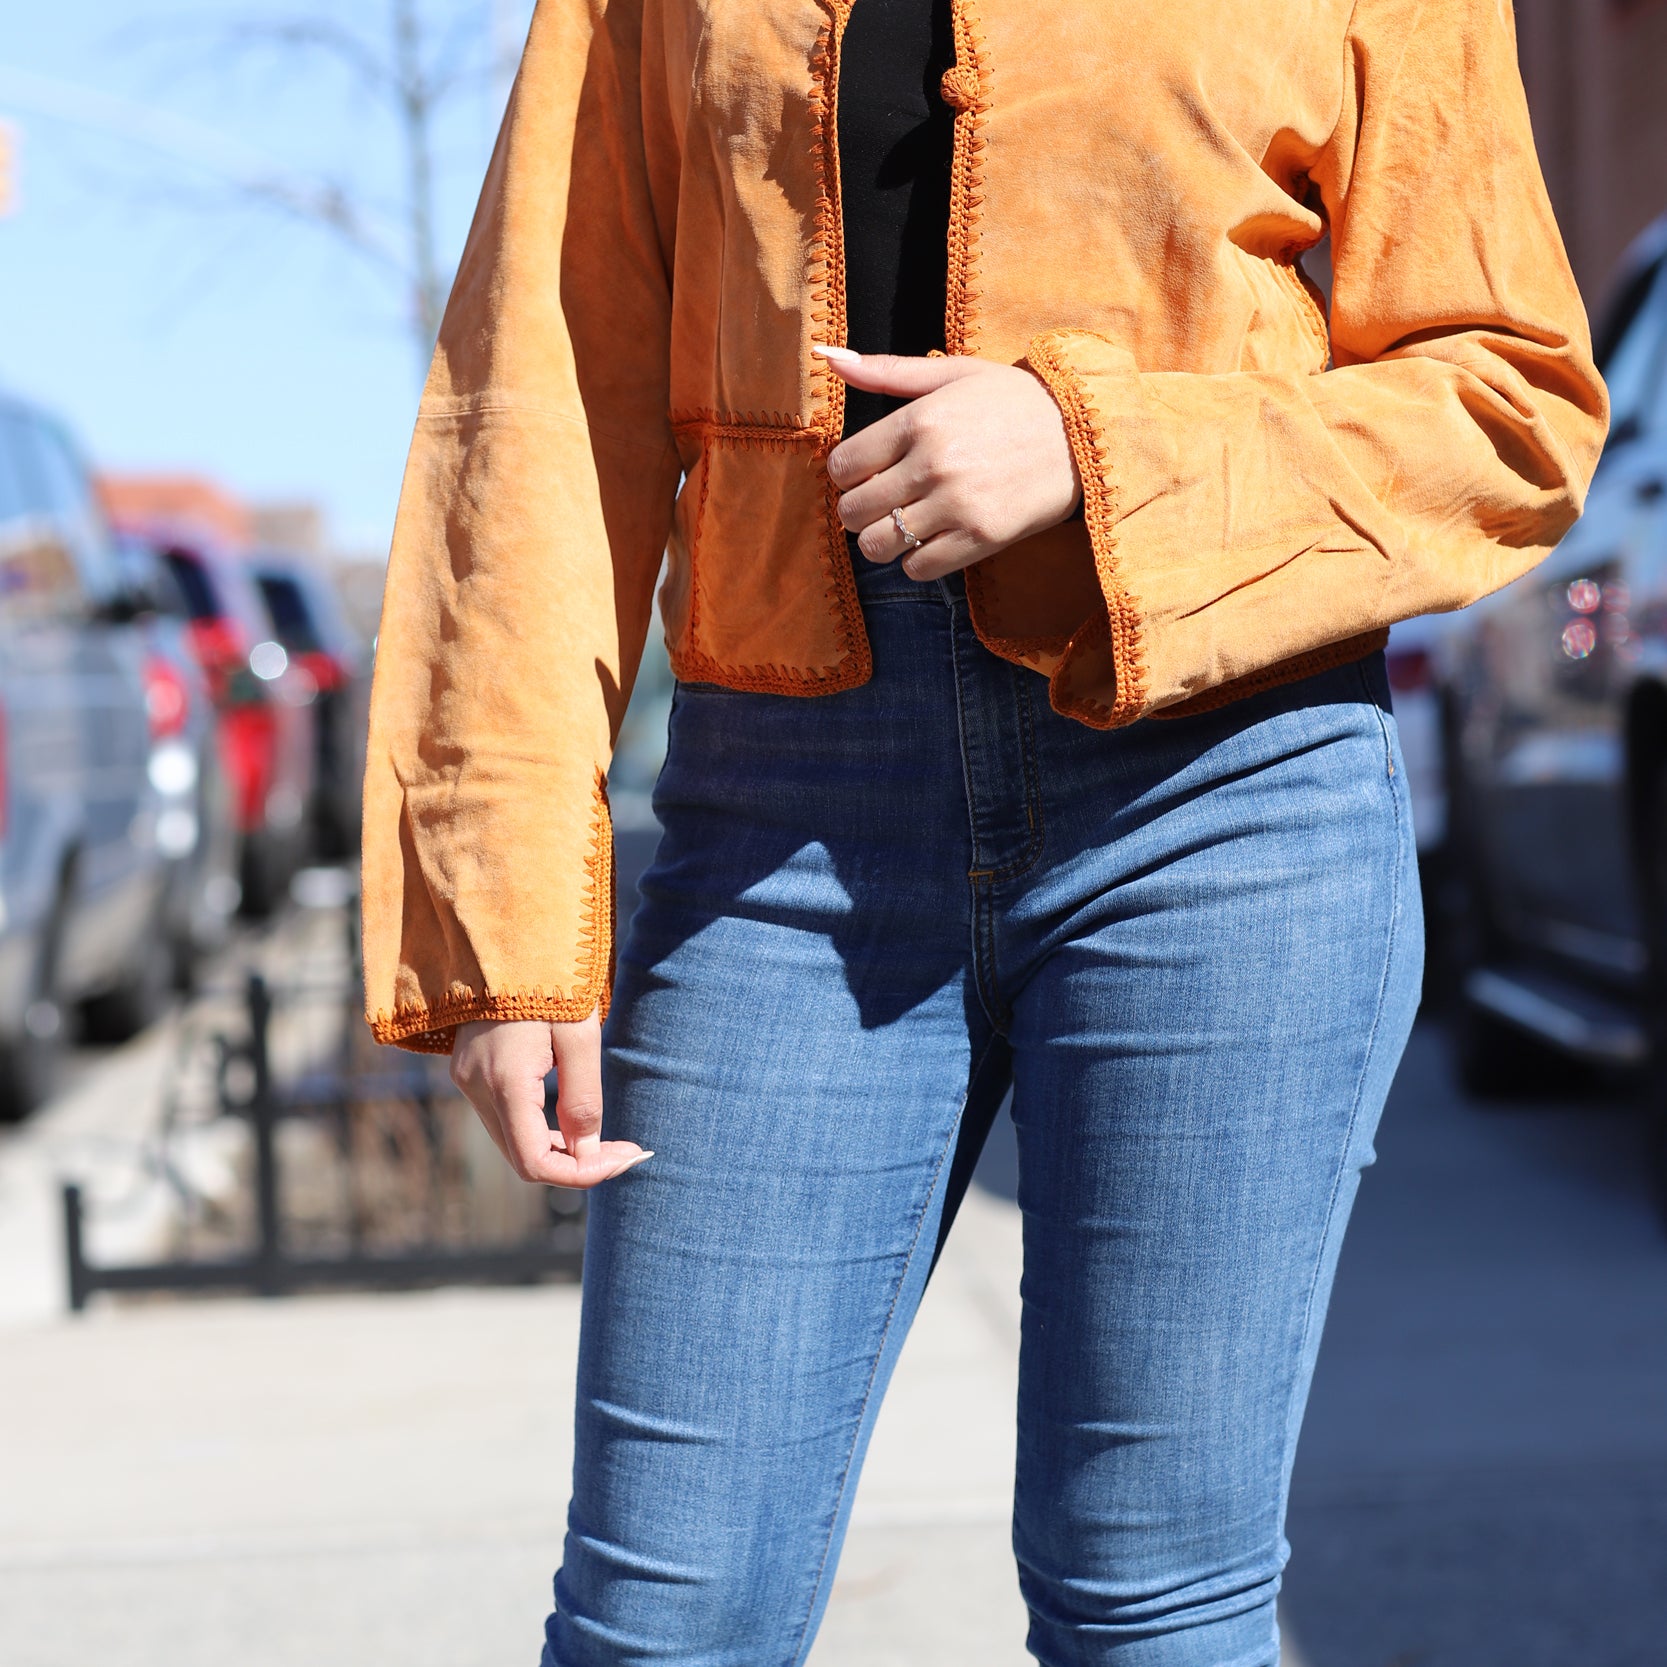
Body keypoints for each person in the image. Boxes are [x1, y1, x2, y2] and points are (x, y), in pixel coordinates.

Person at [361, 0, 1606, 1660]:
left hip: (1224, 801)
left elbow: (1508, 401)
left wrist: (1094, 452)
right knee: (664, 1616)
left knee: (1151, 1604)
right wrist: (503, 911)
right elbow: (540, 390)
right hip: (785, 824)